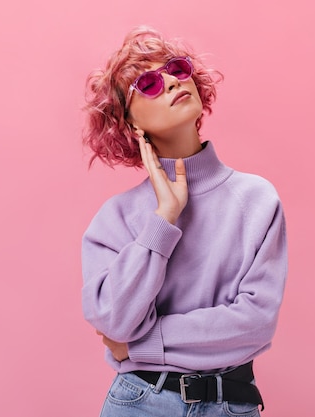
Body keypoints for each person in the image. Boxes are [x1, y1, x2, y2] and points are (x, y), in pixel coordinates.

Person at [81, 26, 288, 417]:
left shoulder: (257, 200)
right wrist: (164, 218)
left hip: (232, 404)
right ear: (129, 124)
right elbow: (114, 323)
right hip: (139, 403)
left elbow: (255, 322)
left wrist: (142, 346)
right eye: (148, 84)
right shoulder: (117, 217)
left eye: (176, 68)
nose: (172, 81)